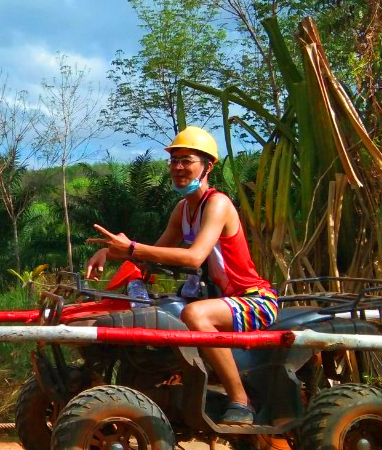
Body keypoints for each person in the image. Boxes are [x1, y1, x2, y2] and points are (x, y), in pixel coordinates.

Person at [85, 126, 278, 424]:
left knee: (194, 315)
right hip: (218, 299)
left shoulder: (217, 204)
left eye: (186, 160)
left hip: (253, 299)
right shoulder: (182, 209)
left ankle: (241, 401)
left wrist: (133, 248)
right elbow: (153, 254)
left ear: (207, 166)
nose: (177, 168)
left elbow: (193, 256)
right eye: (173, 161)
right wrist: (110, 252)